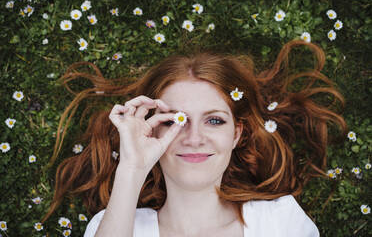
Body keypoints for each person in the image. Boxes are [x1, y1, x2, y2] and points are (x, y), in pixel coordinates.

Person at [42, 40, 346, 237]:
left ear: (236, 134)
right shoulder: (116, 225)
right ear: (152, 130)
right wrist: (132, 167)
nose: (194, 137)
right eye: (177, 120)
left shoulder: (280, 221)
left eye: (214, 120)